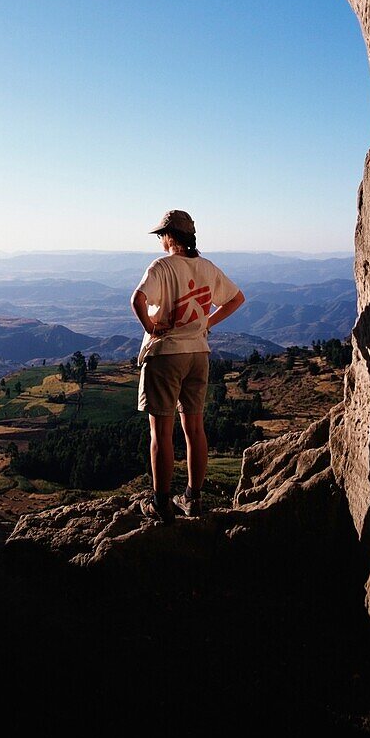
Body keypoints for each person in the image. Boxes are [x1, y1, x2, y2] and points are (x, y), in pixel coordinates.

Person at [131, 209, 245, 524]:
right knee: (195, 429)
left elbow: (137, 301)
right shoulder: (207, 268)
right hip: (198, 354)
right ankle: (193, 499)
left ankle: (161, 503)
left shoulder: (161, 267)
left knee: (161, 433)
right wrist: (206, 322)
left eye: (161, 235)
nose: (160, 240)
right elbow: (236, 299)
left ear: (169, 237)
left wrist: (152, 328)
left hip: (166, 354)